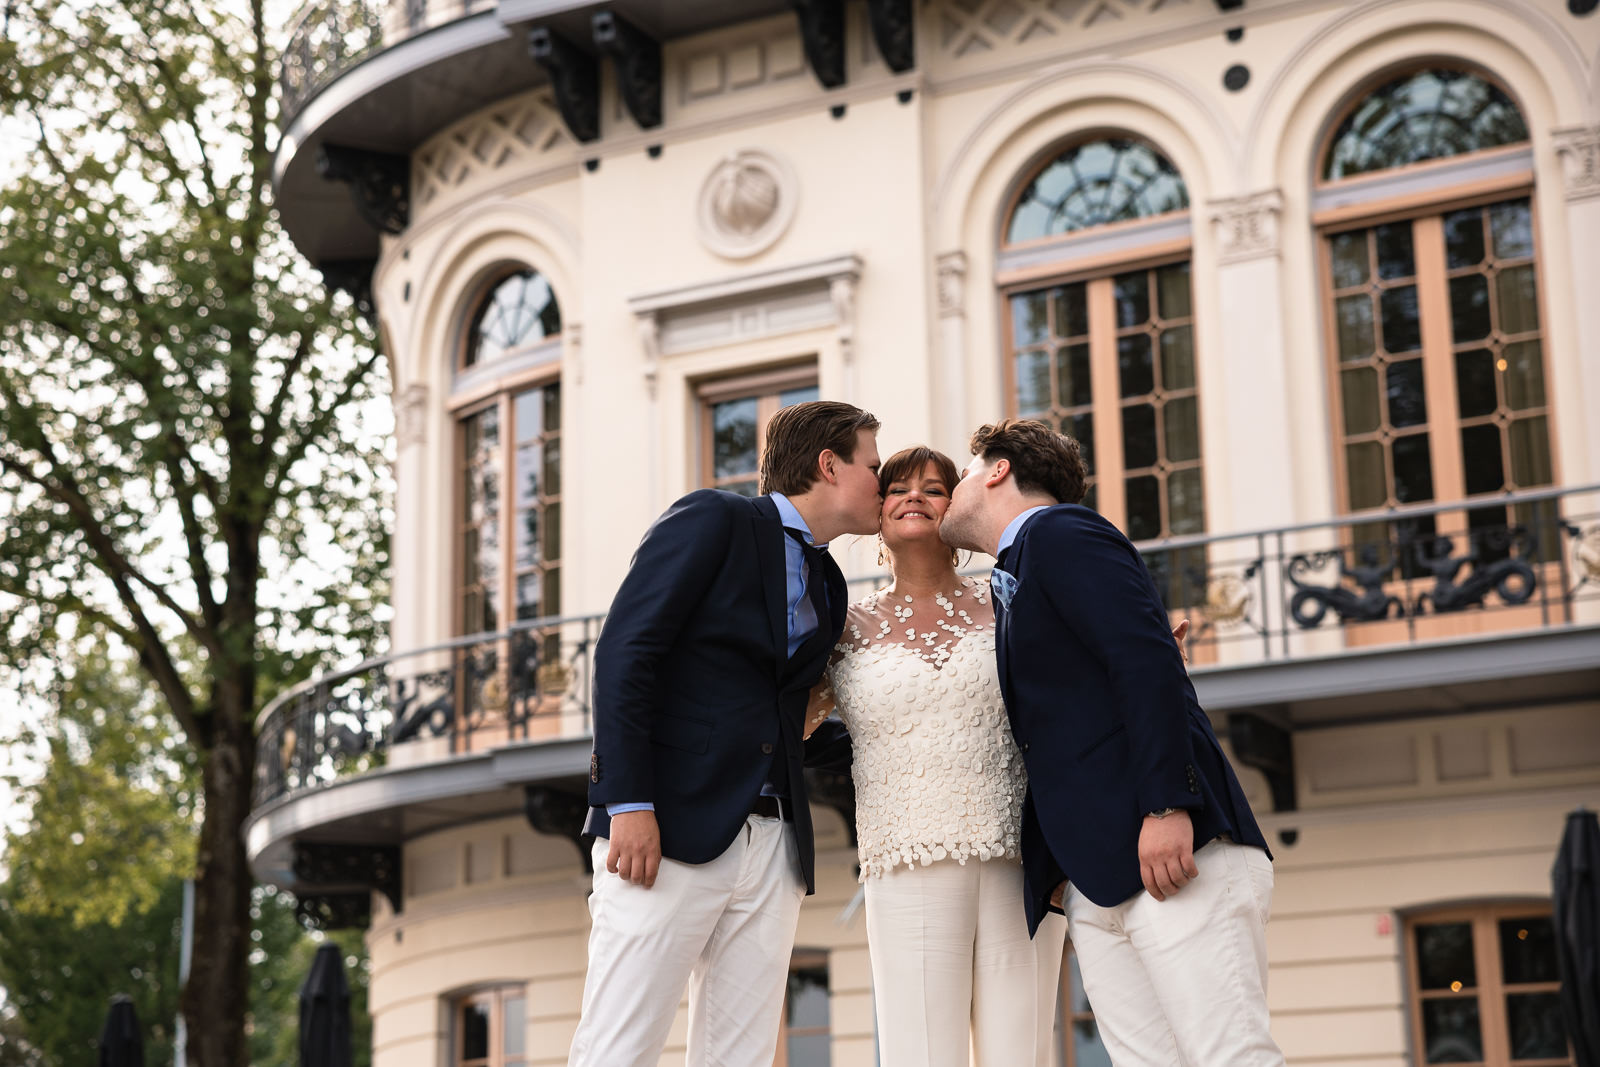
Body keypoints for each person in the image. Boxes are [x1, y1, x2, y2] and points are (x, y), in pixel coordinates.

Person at [940, 418, 1284, 1067]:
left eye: (962, 471)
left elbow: (1143, 657)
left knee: (1230, 1055)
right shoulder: (1016, 572)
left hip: (1176, 854)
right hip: (1097, 882)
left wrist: (1165, 804)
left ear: (997, 469)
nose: (953, 490)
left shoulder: (1061, 531)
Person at [568, 401, 884, 1067]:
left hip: (773, 842)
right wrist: (628, 802)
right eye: (874, 466)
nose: (883, 483)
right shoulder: (715, 518)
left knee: (739, 1057)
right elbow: (626, 651)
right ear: (830, 464)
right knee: (618, 1049)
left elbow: (780, 715)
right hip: (668, 825)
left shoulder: (828, 580)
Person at [805, 445, 1067, 1067]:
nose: (913, 497)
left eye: (932, 487)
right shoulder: (842, 628)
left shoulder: (1013, 605)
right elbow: (780, 723)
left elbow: (1069, 702)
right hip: (905, 857)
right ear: (878, 510)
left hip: (1022, 856)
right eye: (896, 487)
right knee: (920, 1052)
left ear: (956, 510)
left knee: (1021, 1051)